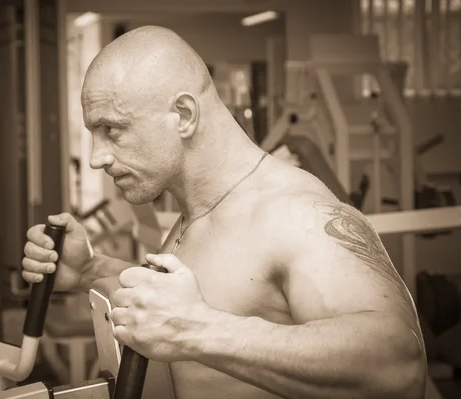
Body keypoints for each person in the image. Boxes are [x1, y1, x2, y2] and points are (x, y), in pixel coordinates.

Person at [22, 26, 426, 399]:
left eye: (112, 130)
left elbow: (400, 365)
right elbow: (225, 294)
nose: (97, 158)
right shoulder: (199, 213)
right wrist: (91, 269)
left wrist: (193, 330)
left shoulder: (294, 212)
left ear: (183, 115)